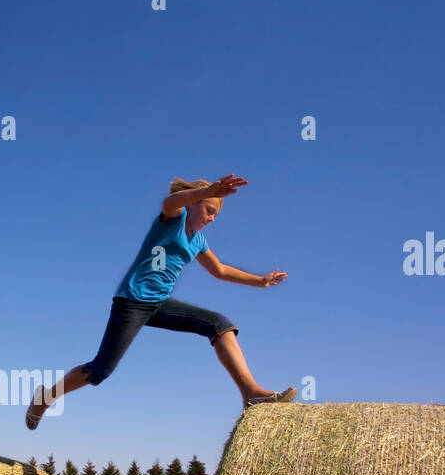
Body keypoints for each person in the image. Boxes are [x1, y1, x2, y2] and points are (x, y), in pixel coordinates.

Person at [26, 174, 296, 429]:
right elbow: (169, 202)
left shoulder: (198, 241)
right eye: (210, 209)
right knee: (101, 369)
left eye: (216, 214)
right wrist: (208, 191)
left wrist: (260, 280)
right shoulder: (173, 219)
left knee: (220, 324)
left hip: (160, 304)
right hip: (131, 301)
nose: (213, 218)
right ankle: (46, 397)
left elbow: (220, 270)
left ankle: (250, 392)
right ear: (193, 203)